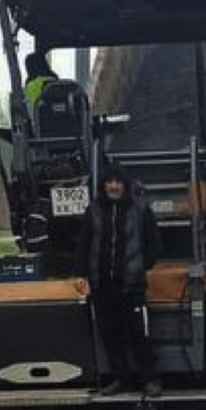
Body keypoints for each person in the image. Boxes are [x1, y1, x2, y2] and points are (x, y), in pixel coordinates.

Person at [78, 166, 163, 397]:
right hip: (101, 286)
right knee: (110, 336)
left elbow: (153, 242)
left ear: (125, 185)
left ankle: (150, 380)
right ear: (103, 185)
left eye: (118, 181)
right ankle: (121, 379)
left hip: (131, 286)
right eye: (109, 181)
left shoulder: (140, 208)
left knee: (139, 334)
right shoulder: (93, 210)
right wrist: (82, 273)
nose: (113, 186)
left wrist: (141, 265)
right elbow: (84, 243)